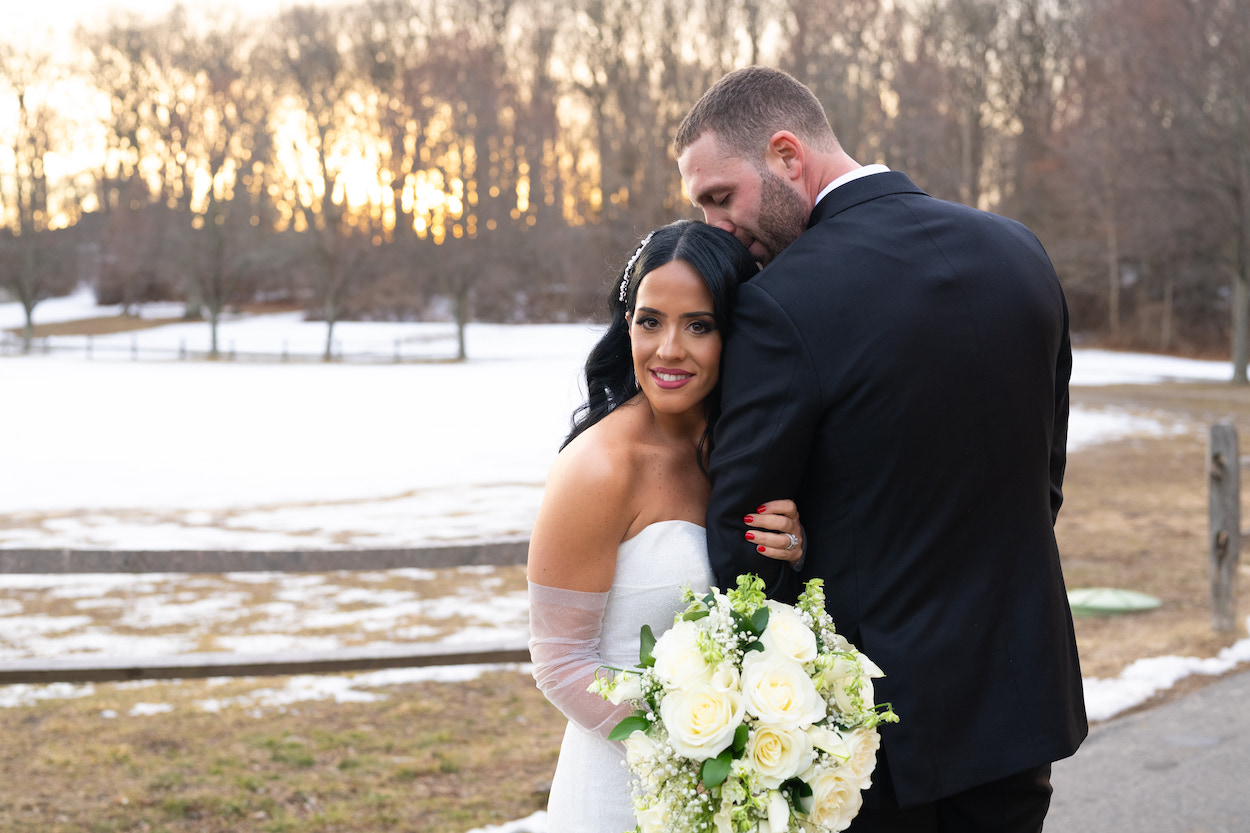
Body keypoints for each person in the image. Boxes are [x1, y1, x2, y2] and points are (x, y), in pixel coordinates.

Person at [674, 66, 1088, 832]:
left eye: (719, 197)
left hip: (883, 737)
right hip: (1022, 700)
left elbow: (744, 544)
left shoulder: (781, 300)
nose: (714, 226)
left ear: (787, 155)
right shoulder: (1020, 252)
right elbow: (1045, 479)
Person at [526, 219, 805, 832]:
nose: (669, 349)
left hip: (738, 795)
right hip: (624, 789)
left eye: (699, 325)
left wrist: (795, 550)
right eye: (650, 321)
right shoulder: (599, 467)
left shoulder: (746, 455)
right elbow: (559, 661)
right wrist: (706, 747)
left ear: (735, 333)